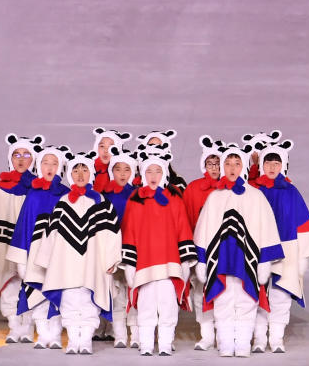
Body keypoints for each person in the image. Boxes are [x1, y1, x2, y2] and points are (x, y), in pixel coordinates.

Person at [194, 143, 283, 358]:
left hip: (247, 261)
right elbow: (204, 229)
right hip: (221, 260)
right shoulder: (214, 198)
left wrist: (264, 261)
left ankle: (243, 343)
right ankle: (225, 342)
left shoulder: (256, 197)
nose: (232, 168)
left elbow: (267, 228)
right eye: (228, 164)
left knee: (246, 299)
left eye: (237, 163)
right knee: (223, 299)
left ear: (243, 166)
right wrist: (202, 260)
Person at [34, 150, 121, 355]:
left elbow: (112, 234)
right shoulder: (63, 202)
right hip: (66, 263)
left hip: (94, 262)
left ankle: (86, 339)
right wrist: (48, 262)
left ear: (91, 172)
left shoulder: (101, 202)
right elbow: (52, 233)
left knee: (89, 299)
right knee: (70, 298)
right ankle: (73, 339)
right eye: (75, 170)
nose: (80, 174)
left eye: (84, 169)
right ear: (69, 174)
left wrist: (112, 259)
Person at [121, 148, 196, 356]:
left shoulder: (175, 199)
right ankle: (146, 345)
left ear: (164, 174)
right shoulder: (135, 200)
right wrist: (130, 264)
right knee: (145, 306)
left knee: (168, 306)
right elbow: (129, 232)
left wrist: (185, 262)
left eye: (158, 172)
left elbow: (183, 229)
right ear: (143, 174)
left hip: (169, 263)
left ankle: (164, 344)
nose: (153, 176)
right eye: (149, 172)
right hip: (144, 264)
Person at [251, 139, 309, 353]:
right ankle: (258, 339)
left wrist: (302, 257)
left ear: (283, 165)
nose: (272, 168)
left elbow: (302, 222)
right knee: (257, 293)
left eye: (277, 163)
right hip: (259, 250)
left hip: (287, 250)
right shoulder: (253, 189)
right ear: (262, 164)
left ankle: (276, 338)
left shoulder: (291, 191)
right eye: (268, 163)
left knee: (280, 294)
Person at [0, 133, 41, 343]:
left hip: (31, 246)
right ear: (10, 158)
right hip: (6, 244)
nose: (21, 159)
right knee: (10, 285)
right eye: (16, 155)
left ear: (34, 159)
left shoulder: (38, 188)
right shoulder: (0, 187)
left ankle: (28, 326)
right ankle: (14, 326)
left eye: (26, 155)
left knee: (30, 285)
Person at [6, 142, 70, 349]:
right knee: (37, 294)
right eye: (45, 163)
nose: (49, 167)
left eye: (54, 163)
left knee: (57, 295)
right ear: (39, 166)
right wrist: (21, 259)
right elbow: (24, 225)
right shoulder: (33, 194)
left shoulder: (65, 195)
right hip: (33, 255)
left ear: (60, 166)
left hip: (58, 257)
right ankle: (43, 334)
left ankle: (56, 334)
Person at [183, 135, 223, 350]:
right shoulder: (193, 189)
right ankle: (206, 333)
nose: (214, 168)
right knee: (201, 291)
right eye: (210, 164)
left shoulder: (231, 189)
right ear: (203, 165)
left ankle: (224, 332)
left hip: (225, 249)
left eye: (218, 164)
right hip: (202, 250)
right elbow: (187, 219)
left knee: (225, 289)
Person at [99, 148, 138, 348]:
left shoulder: (138, 196)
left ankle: (137, 333)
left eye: (127, 169)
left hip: (134, 252)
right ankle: (119, 333)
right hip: (112, 252)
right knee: (115, 293)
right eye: (118, 169)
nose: (122, 174)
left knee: (134, 291)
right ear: (111, 172)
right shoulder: (104, 197)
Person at [90, 127, 131, 192]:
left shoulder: (127, 171)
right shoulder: (88, 169)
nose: (106, 151)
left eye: (111, 147)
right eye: (102, 146)